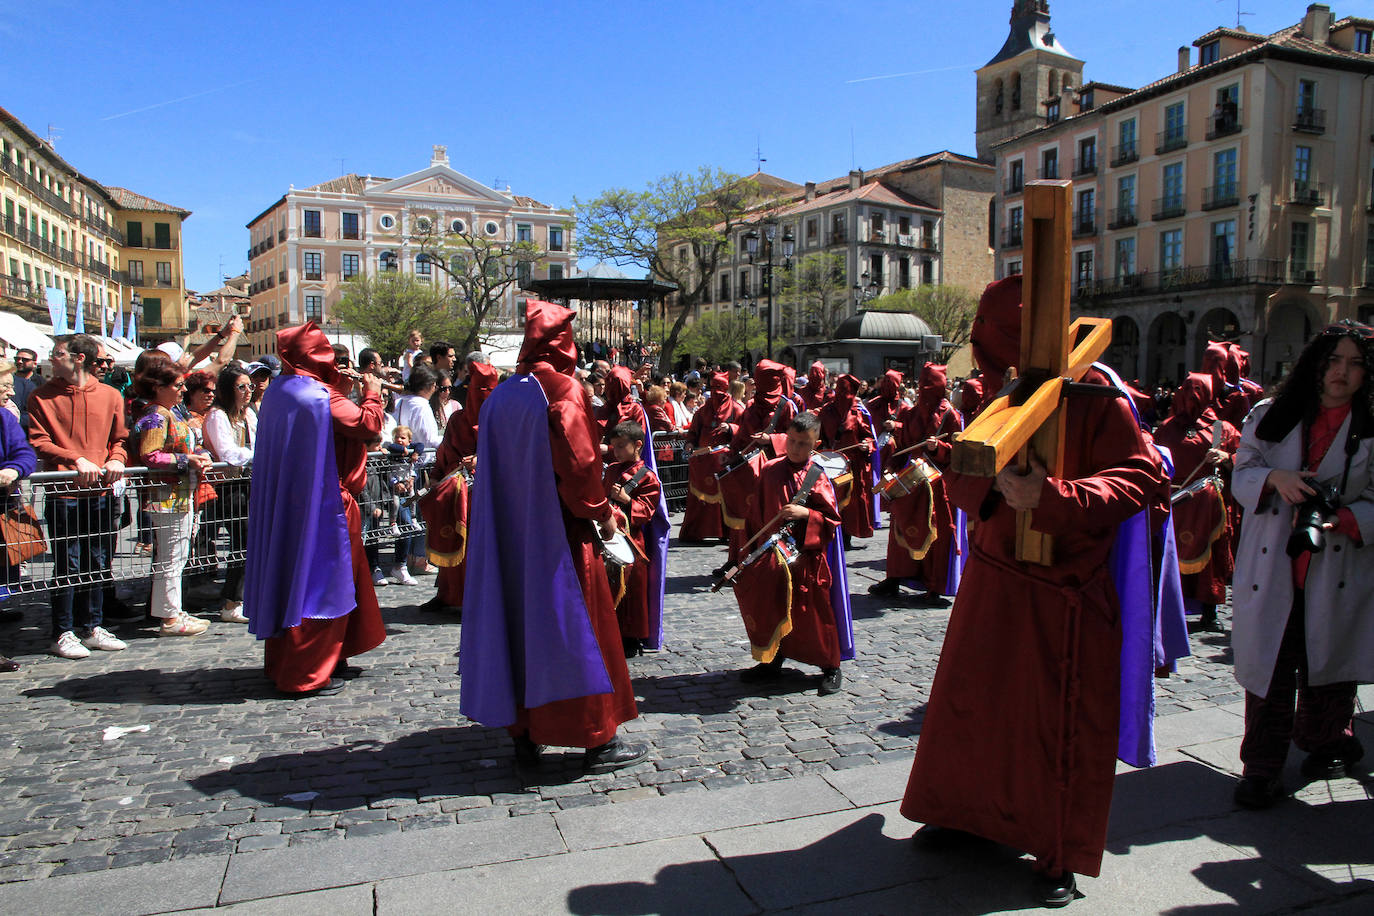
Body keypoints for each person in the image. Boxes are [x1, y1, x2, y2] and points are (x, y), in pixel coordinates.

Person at [900, 276, 1165, 907]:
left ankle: (1057, 850)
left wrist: (1052, 497)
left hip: (1062, 589)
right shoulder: (1007, 388)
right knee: (976, 708)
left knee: (1058, 725)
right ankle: (967, 815)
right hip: (995, 579)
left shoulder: (1097, 389)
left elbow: (1143, 475)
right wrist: (986, 483)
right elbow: (975, 478)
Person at [460, 299, 648, 774]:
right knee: (577, 627)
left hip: (512, 534)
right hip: (560, 534)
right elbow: (581, 462)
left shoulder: (504, 393)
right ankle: (594, 736)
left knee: (521, 626)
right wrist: (601, 510)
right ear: (562, 341)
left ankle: (526, 734)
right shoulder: (561, 388)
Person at [1229, 321, 1374, 809]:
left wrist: (1350, 518)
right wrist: (1276, 478)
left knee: (1328, 672)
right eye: (1334, 361)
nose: (1342, 373)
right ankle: (1261, 769)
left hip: (1336, 570)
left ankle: (1327, 741)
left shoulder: (1370, 423)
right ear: (1316, 364)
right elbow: (1241, 471)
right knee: (1269, 674)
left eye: (1355, 363)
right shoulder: (1273, 415)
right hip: (1274, 570)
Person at [244, 321, 387, 697]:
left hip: (291, 502)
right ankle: (307, 670)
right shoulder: (319, 395)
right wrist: (372, 393)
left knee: (296, 579)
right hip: (327, 506)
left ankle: (326, 656)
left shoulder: (281, 390)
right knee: (320, 586)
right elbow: (368, 426)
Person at [727, 412, 851, 695]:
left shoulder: (817, 477)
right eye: (792, 441)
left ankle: (831, 666)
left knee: (813, 615)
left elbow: (831, 520)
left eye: (803, 444)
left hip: (806, 559)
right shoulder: (770, 469)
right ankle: (773, 659)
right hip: (772, 555)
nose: (796, 448)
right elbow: (754, 513)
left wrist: (806, 512)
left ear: (815, 444)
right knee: (772, 606)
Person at [29, 335, 129, 659]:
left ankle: (92, 626)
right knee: (67, 563)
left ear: (79, 358)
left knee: (99, 561)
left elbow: (121, 439)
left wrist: (117, 459)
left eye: (57, 353)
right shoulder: (40, 397)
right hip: (63, 492)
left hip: (99, 490)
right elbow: (39, 440)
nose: (51, 358)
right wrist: (75, 458)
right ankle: (62, 631)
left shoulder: (111, 395)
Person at [1151, 373, 1238, 634]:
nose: (1192, 397)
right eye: (1187, 390)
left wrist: (1225, 456)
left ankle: (1210, 612)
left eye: (1198, 391)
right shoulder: (1167, 428)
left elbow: (1247, 460)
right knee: (1169, 556)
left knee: (1210, 558)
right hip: (1176, 502)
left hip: (1208, 505)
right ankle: (1167, 608)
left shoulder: (1222, 429)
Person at [869, 364, 964, 603]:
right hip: (910, 480)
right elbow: (901, 449)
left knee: (937, 534)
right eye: (921, 386)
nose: (923, 391)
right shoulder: (909, 414)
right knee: (899, 529)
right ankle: (895, 578)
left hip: (936, 483)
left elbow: (958, 451)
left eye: (929, 386)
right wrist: (890, 468)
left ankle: (935, 585)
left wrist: (938, 447)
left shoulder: (950, 415)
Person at [132, 361, 214, 637]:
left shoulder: (171, 413)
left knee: (178, 556)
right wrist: (186, 460)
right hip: (166, 497)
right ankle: (169, 616)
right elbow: (151, 454)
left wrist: (198, 454)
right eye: (177, 385)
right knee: (171, 557)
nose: (182, 390)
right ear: (158, 387)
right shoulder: (156, 415)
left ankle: (173, 610)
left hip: (181, 494)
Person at [419, 357, 498, 614]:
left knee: (483, 552)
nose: (482, 396)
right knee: (453, 543)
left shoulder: (501, 421)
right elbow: (445, 450)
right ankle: (448, 594)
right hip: (457, 493)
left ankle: (482, 601)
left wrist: (482, 458)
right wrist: (435, 473)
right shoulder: (457, 419)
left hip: (490, 498)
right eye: (478, 389)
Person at [602, 421, 664, 657]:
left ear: (638, 445)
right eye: (613, 446)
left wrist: (627, 501)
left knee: (632, 589)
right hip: (610, 536)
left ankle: (631, 636)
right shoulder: (613, 469)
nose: (616, 451)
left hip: (631, 541)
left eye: (621, 446)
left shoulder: (647, 477)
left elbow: (646, 512)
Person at [202, 365, 257, 622]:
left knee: (248, 542)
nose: (247, 392)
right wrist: (257, 456)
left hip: (248, 482)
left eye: (250, 386)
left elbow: (258, 442)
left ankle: (240, 596)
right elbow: (228, 453)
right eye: (241, 387)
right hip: (229, 486)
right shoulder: (217, 416)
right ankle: (230, 600)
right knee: (241, 541)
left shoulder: (247, 415)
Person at [0, 359, 36, 666]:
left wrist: (14, 468)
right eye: (4, 384)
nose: (10, 392)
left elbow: (25, 452)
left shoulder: (4, 418)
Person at [679, 372, 742, 543]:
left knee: (727, 499)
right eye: (713, 389)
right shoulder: (702, 411)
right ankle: (696, 531)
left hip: (726, 463)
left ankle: (726, 533)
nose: (716, 393)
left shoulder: (736, 409)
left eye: (720, 389)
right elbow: (693, 433)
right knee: (700, 500)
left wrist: (731, 428)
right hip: (703, 462)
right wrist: (690, 444)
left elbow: (745, 431)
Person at [818, 374, 876, 549]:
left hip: (853, 465)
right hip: (829, 463)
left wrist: (867, 445)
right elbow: (818, 437)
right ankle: (830, 532)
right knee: (831, 500)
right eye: (839, 390)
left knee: (851, 502)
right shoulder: (826, 411)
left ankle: (846, 535)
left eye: (846, 391)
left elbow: (868, 436)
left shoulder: (859, 412)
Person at [393, 364, 442, 451]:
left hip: (400, 460)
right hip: (420, 461)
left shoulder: (398, 402)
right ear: (427, 386)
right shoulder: (422, 406)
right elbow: (429, 440)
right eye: (434, 386)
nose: (435, 389)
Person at [11, 347, 40, 429]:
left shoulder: (40, 384)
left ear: (34, 363)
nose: (19, 361)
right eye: (17, 359)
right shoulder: (9, 379)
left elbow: (36, 414)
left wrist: (10, 419)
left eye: (25, 359)